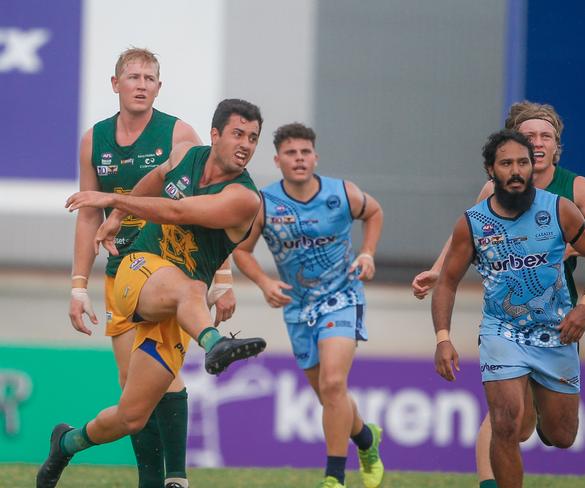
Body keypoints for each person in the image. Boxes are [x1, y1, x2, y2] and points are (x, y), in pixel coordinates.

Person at [37, 98, 267, 488]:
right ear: (215, 135)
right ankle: (213, 344)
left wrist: (112, 199)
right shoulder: (183, 155)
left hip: (177, 306)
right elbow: (157, 177)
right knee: (191, 287)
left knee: (132, 414)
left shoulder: (244, 198)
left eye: (254, 138)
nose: (246, 144)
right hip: (136, 270)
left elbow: (177, 212)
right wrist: (118, 219)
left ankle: (66, 441)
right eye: (237, 134)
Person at [411, 101, 585, 488]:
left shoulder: (570, 194)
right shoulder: (489, 194)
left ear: (553, 148)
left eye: (546, 137)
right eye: (529, 136)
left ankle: (541, 416)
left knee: (559, 434)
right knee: (504, 420)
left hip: (558, 320)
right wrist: (439, 269)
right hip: (502, 325)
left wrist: (562, 250)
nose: (537, 144)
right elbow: (467, 235)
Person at [68, 47, 236, 488]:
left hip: (171, 271)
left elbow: (210, 207)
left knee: (164, 372)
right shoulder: (93, 139)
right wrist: (78, 286)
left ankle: (175, 479)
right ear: (115, 84)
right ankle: (149, 479)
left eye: (149, 78)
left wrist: (221, 278)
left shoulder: (179, 133)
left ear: (159, 87)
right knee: (132, 391)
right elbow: (89, 214)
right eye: (133, 77)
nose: (141, 84)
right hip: (120, 275)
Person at [232, 123, 385, 488]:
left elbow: (374, 213)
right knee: (329, 396)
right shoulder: (264, 203)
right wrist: (265, 281)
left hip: (342, 297)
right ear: (278, 160)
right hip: (298, 307)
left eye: (304, 152)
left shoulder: (342, 193)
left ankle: (333, 478)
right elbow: (241, 250)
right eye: (290, 153)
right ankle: (366, 438)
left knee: (334, 383)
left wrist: (367, 253)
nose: (299, 159)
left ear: (315, 156)